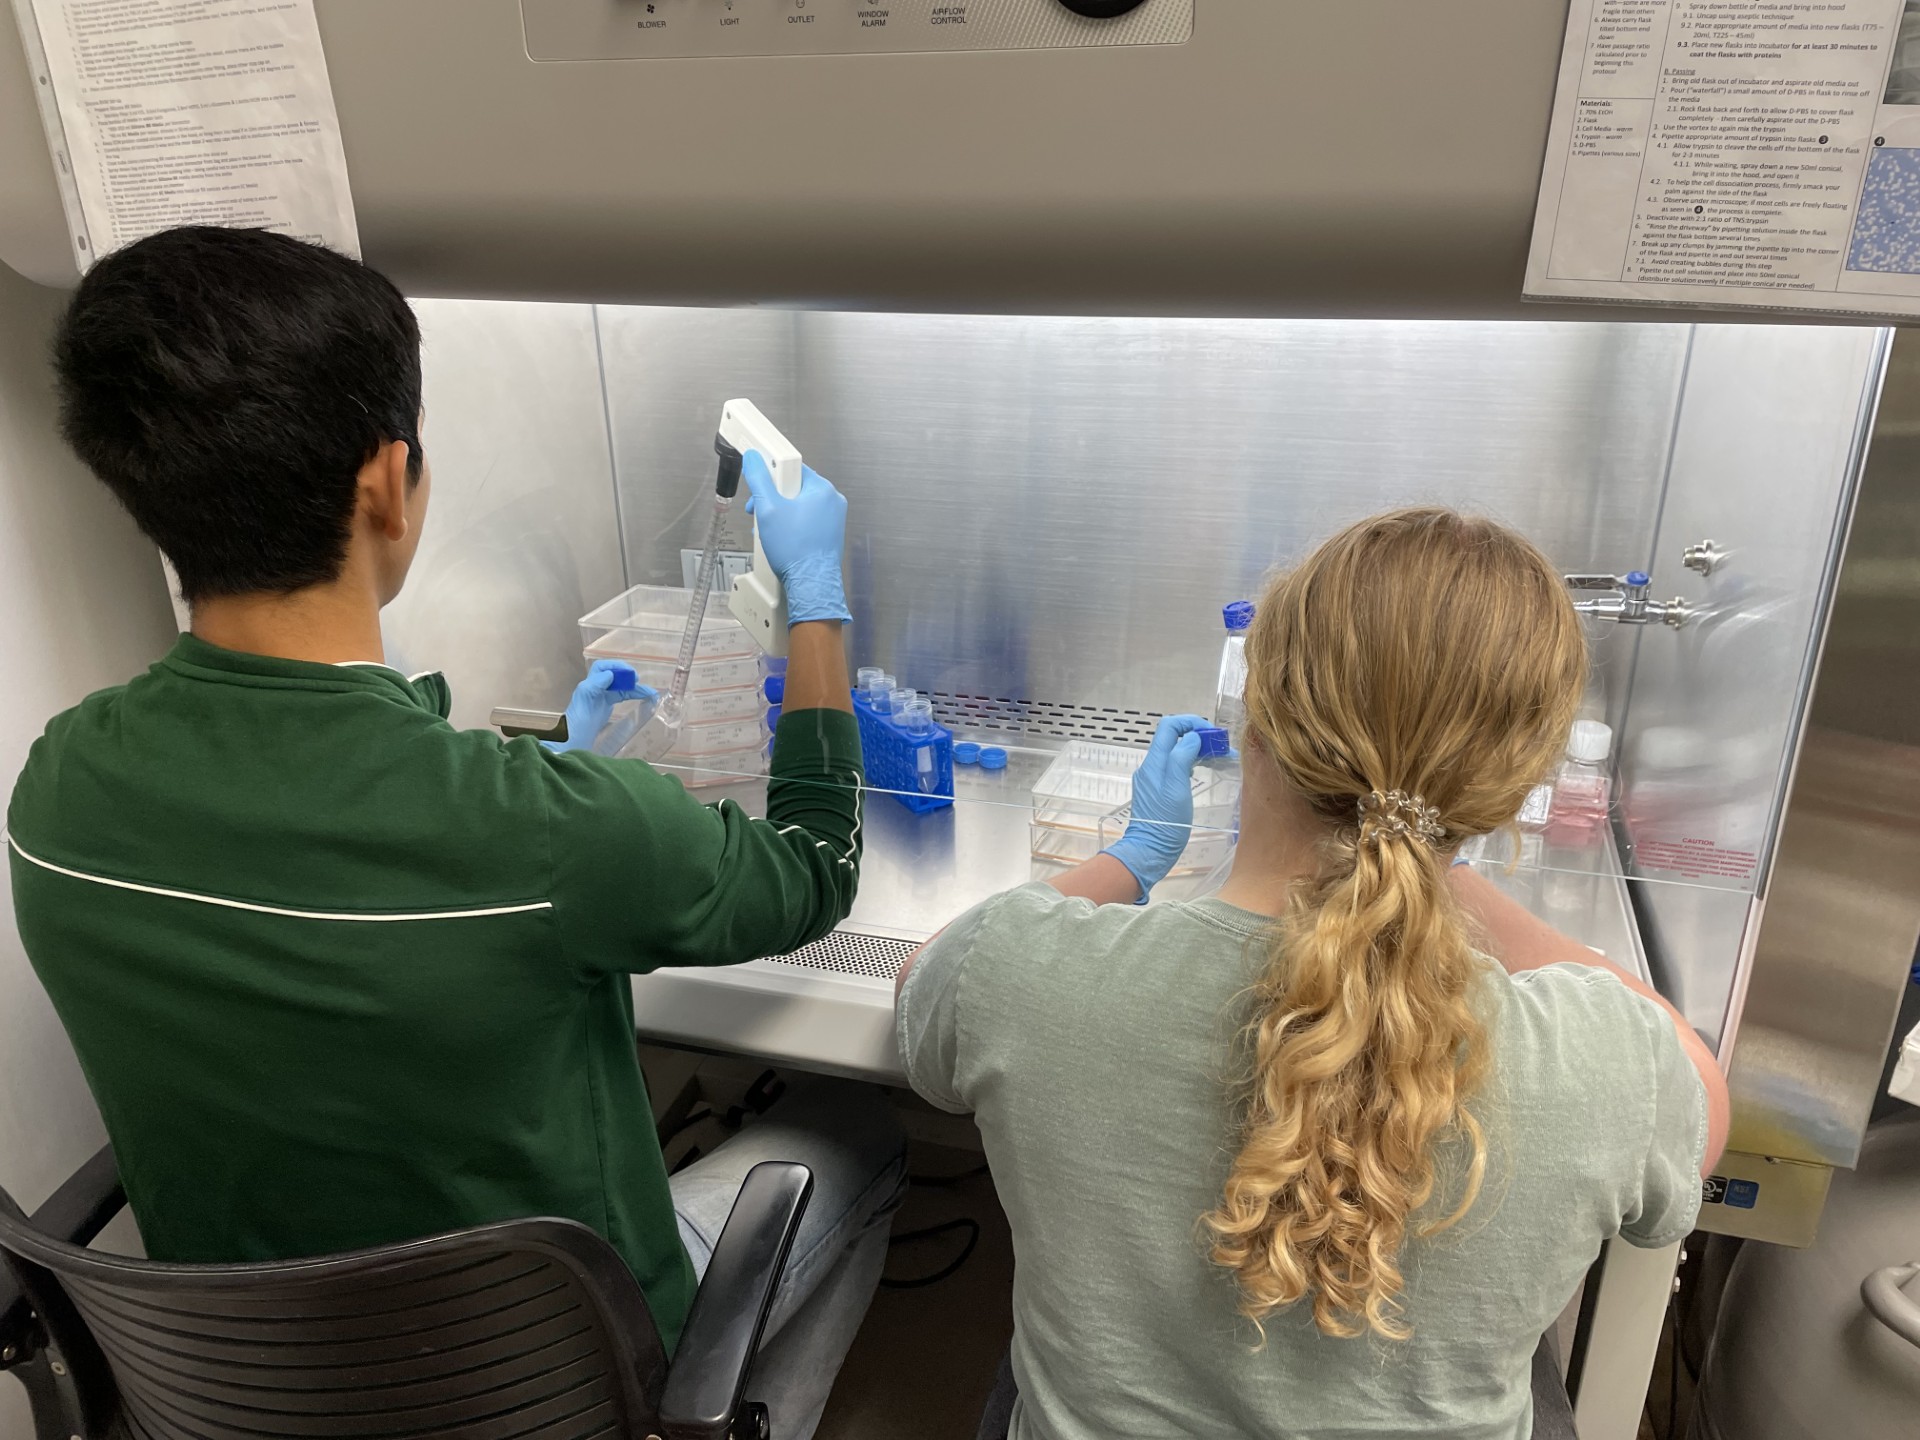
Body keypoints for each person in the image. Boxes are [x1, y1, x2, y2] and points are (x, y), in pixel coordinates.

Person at [7, 225, 903, 1437]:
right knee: (857, 1126)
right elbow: (815, 870)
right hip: (560, 1391)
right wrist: (817, 604)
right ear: (386, 483)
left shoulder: (59, 790)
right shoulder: (549, 834)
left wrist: (552, 782)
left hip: (250, 1390)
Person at [897, 508, 1730, 1440]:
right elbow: (1698, 1107)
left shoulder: (1020, 969)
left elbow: (930, 981)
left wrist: (1136, 855)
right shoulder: (1608, 1060)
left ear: (1257, 715)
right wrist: (1442, 874)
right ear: (1513, 783)